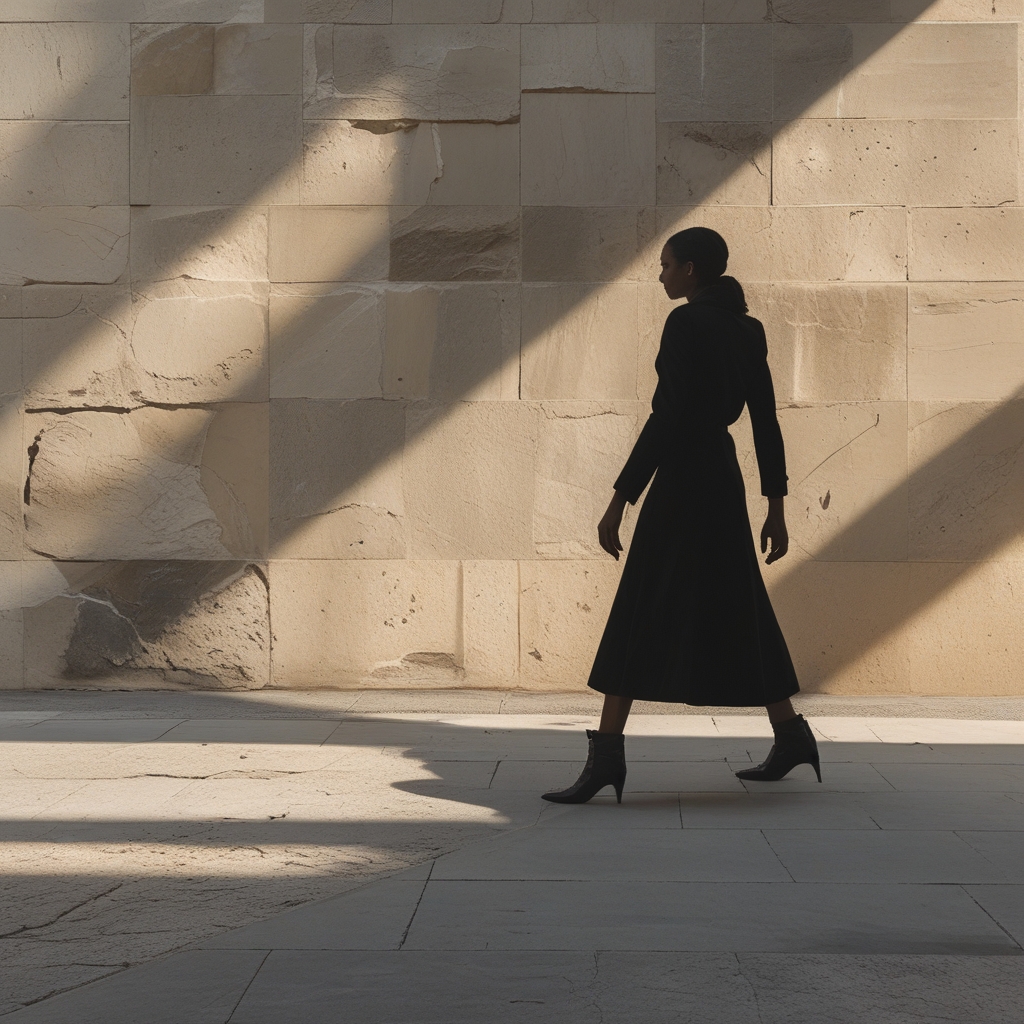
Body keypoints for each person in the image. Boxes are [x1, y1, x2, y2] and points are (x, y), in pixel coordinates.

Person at [543, 227, 820, 805]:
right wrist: (776, 506)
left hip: (682, 481)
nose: (661, 275)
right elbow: (765, 421)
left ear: (691, 270)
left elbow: (665, 417)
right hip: (721, 478)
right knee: (739, 603)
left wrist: (621, 497)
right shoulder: (748, 329)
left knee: (640, 606)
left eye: (666, 265)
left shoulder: (686, 323)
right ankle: (791, 734)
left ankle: (606, 760)